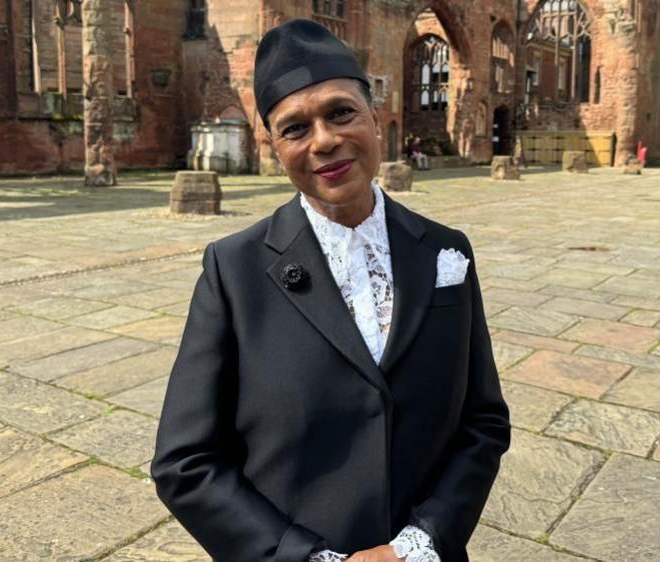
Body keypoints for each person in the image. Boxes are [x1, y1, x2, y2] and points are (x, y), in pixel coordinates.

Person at [151, 19, 510, 562]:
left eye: (341, 112)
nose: (325, 140)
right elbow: (186, 461)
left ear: (376, 118)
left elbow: (482, 420)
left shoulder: (444, 252)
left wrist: (420, 544)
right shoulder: (234, 270)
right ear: (271, 146)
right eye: (295, 128)